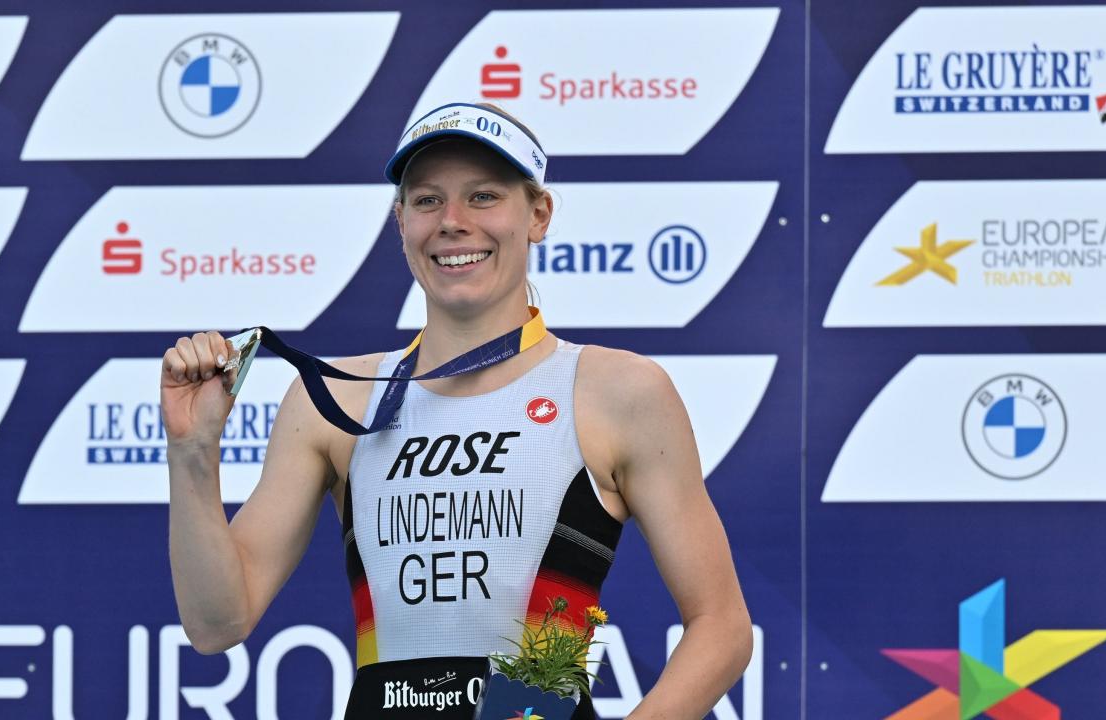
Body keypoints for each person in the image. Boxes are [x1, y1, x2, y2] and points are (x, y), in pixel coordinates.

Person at [162, 102, 751, 718]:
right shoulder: (337, 398)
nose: (452, 222)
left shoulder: (616, 391)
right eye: (427, 200)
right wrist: (192, 451)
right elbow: (216, 624)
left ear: (539, 214)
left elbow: (723, 626)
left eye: (483, 196)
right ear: (401, 221)